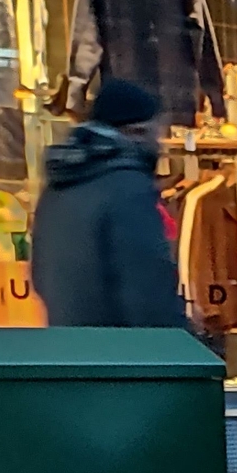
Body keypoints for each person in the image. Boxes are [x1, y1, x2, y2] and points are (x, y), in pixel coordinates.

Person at [29, 79, 185, 328]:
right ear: (135, 132)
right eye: (155, 133)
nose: (160, 144)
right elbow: (147, 291)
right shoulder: (127, 187)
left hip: (70, 346)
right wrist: (178, 350)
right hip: (124, 354)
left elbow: (40, 275)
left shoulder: (58, 184)